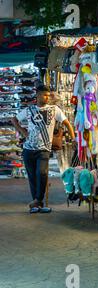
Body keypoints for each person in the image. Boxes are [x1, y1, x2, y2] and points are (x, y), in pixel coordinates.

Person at [12, 85, 75, 213]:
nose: (47, 97)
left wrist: (73, 138)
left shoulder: (54, 109)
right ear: (38, 95)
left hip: (44, 149)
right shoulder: (29, 110)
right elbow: (14, 120)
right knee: (32, 177)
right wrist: (23, 132)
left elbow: (66, 122)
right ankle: (37, 204)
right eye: (44, 95)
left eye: (48, 95)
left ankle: (38, 200)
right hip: (28, 149)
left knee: (42, 173)